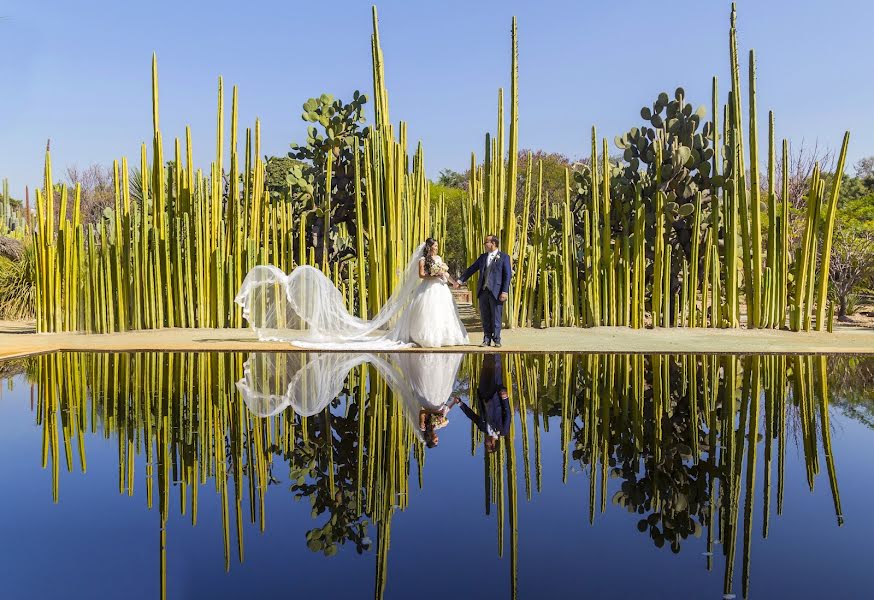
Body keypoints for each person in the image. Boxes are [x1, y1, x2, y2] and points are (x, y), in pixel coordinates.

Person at [234, 238, 469, 349]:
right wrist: (434, 275)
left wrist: (451, 281)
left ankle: (445, 338)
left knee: (442, 316)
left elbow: (445, 273)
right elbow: (421, 276)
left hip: (440, 290)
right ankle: (425, 338)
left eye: (437, 247)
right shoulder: (423, 260)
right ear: (429, 248)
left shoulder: (438, 260)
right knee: (426, 315)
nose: (437, 249)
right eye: (434, 246)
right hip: (428, 287)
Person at [455, 234, 512, 347]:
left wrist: (504, 291)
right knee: (485, 316)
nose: (484, 245)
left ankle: (497, 339)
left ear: (493, 244)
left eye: (486, 242)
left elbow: (507, 275)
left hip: (496, 291)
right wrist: (460, 281)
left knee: (496, 316)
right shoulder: (482, 257)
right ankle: (486, 339)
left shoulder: (504, 257)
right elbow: (472, 269)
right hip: (483, 291)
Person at [457, 354, 510, 453]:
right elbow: (507, 415)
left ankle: (487, 351)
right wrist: (505, 399)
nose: (485, 443)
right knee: (496, 368)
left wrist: (460, 404)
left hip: (483, 394)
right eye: (487, 445)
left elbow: (472, 416)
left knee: (485, 368)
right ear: (493, 444)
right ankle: (495, 349)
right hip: (496, 396)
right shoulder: (503, 430)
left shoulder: (482, 428)